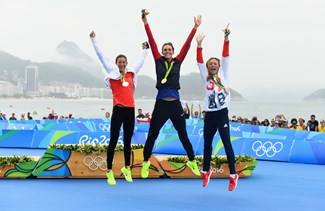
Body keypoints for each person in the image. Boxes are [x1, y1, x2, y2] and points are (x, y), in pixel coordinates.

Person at [140, 10, 201, 178]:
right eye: (165, 49)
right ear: (162, 51)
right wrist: (145, 22)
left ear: (173, 51)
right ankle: (146, 162)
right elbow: (151, 41)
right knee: (153, 133)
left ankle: (192, 160)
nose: (167, 51)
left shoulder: (178, 61)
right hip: (161, 103)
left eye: (169, 49)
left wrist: (195, 27)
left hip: (175, 103)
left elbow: (187, 45)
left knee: (183, 134)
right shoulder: (158, 60)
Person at [90, 30, 148, 185]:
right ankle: (109, 171)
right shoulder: (112, 71)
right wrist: (93, 39)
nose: (122, 64)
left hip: (130, 110)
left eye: (124, 62)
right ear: (116, 63)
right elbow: (100, 55)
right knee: (114, 141)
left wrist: (145, 49)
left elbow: (140, 63)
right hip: (118, 109)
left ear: (126, 63)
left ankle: (126, 168)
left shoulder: (131, 73)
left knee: (128, 141)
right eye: (119, 62)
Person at [195, 24, 238, 191]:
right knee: (207, 144)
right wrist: (199, 45)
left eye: (215, 63)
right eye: (210, 63)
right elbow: (199, 61)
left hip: (222, 114)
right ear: (207, 67)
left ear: (219, 66)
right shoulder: (204, 77)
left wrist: (226, 38)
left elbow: (226, 56)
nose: (213, 65)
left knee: (227, 143)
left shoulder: (223, 74)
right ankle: (206, 171)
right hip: (210, 115)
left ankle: (233, 175)